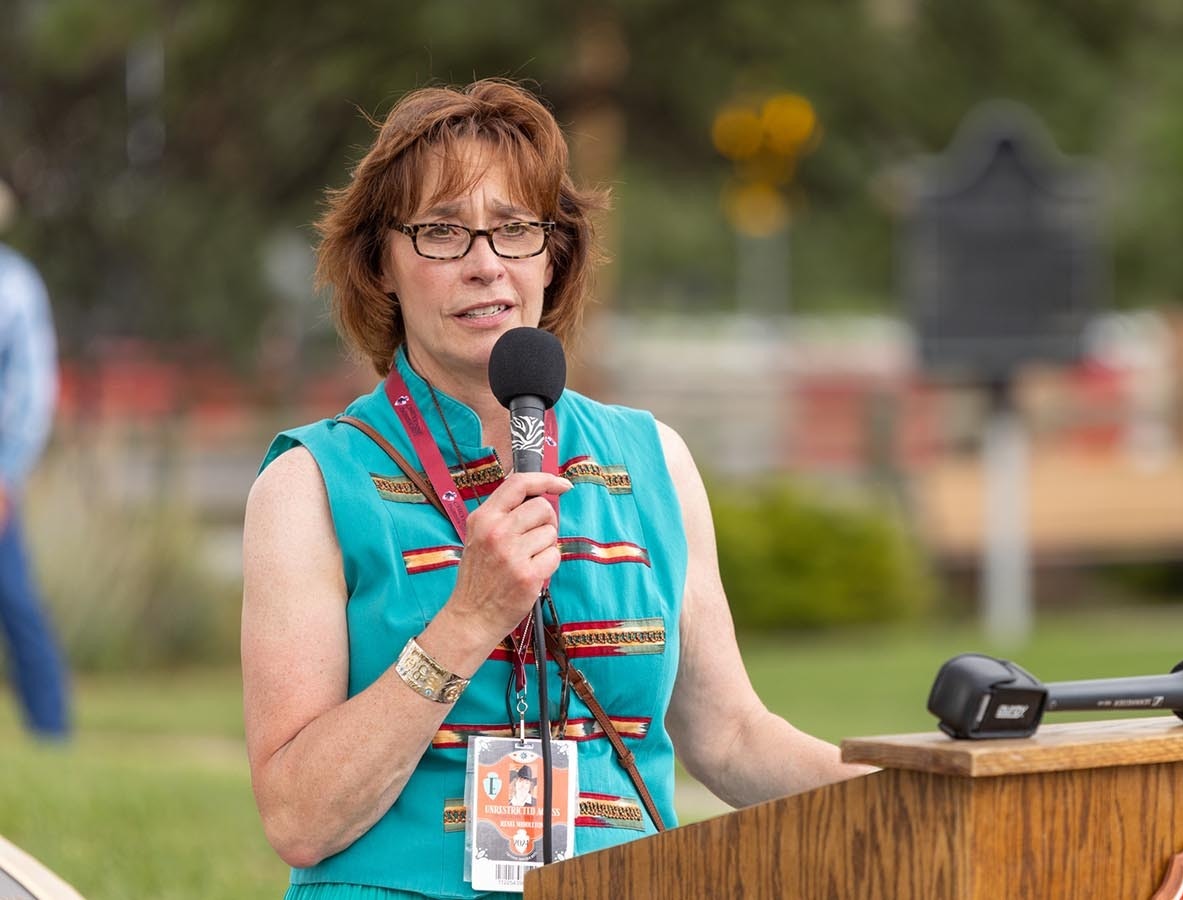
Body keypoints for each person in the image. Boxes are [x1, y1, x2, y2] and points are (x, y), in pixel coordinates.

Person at [241, 79, 870, 899]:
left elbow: (732, 738)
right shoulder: (310, 484)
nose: (485, 265)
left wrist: (913, 785)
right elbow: (299, 820)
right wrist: (466, 622)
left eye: (514, 230)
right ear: (381, 264)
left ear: (554, 254)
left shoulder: (655, 460)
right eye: (441, 232)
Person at [0, 179, 69, 740]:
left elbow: (31, 390)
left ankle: (50, 730)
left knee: (15, 601)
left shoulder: (15, 287)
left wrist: (8, 472)